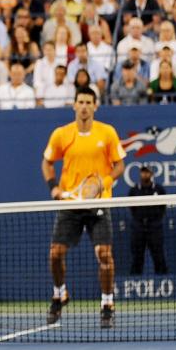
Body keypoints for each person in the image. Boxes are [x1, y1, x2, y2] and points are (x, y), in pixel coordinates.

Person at [41, 87, 126, 329]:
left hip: (99, 204)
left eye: (89, 102)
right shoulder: (61, 134)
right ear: (74, 105)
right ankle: (59, 294)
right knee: (55, 254)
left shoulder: (107, 132)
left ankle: (107, 304)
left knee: (105, 256)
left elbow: (119, 165)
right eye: (81, 102)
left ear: (95, 106)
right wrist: (54, 188)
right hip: (70, 204)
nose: (85, 106)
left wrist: (103, 183)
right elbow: (47, 162)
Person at [127, 165, 167, 275]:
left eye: (147, 172)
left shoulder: (159, 189)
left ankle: (162, 278)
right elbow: (132, 208)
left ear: (151, 174)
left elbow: (163, 207)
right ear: (140, 174)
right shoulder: (134, 190)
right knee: (137, 257)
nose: (145, 174)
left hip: (154, 227)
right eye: (143, 172)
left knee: (158, 255)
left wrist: (155, 219)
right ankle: (135, 279)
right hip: (138, 228)